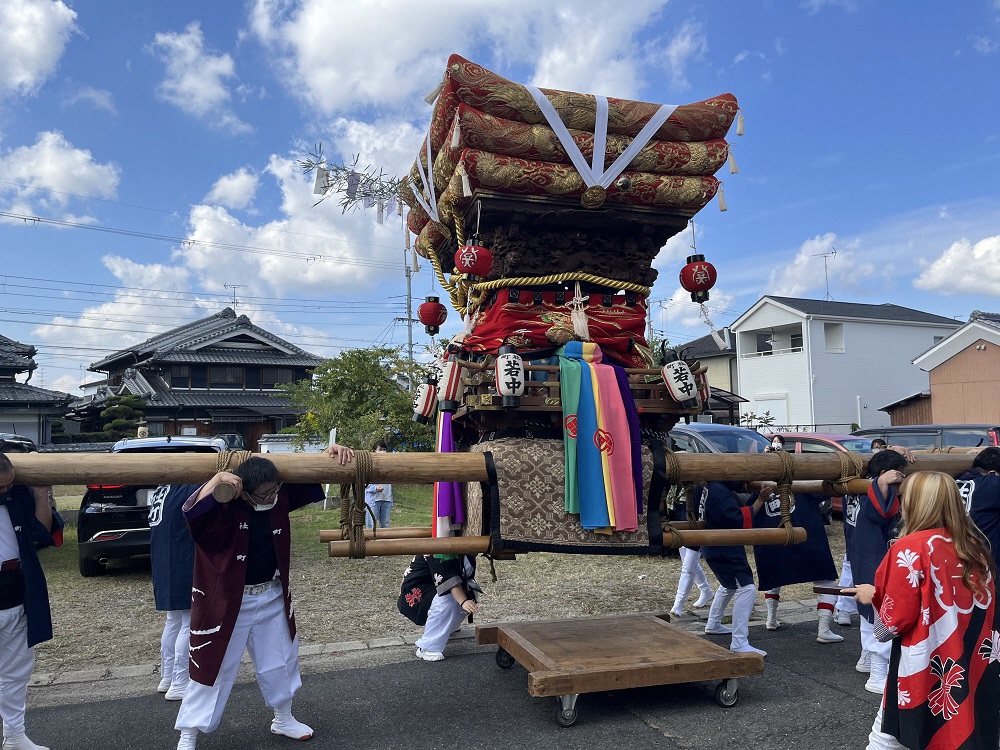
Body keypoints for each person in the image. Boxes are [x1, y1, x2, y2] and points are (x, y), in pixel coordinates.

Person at [174, 445, 354, 750]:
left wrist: (329, 454)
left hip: (271, 595)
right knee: (211, 668)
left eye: (275, 490)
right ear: (243, 491)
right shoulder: (220, 510)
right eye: (265, 493)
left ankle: (283, 718)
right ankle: (188, 734)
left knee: (281, 661)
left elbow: (312, 480)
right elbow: (191, 511)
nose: (272, 497)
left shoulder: (279, 498)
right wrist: (215, 480)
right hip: (226, 604)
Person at [846, 472, 1000, 750]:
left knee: (886, 739)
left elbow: (887, 628)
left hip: (923, 667)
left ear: (917, 503)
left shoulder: (909, 549)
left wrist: (874, 597)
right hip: (971, 664)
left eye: (905, 497)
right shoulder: (976, 548)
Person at [0, 452, 62, 750]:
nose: (4, 491)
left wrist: (41, 493)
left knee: (16, 669)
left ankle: (14, 736)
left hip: (16, 588)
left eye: (8, 485)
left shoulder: (15, 494)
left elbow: (42, 534)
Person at [844, 448, 908, 695]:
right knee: (881, 611)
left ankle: (866, 660)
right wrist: (883, 481)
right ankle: (878, 674)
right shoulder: (874, 488)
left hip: (861, 554)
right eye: (900, 475)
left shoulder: (852, 487)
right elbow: (884, 511)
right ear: (885, 474)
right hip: (875, 558)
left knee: (866, 609)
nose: (902, 480)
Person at [698, 481, 767, 656]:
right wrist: (760, 500)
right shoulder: (719, 491)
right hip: (725, 546)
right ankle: (739, 642)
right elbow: (736, 519)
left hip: (712, 545)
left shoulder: (709, 486)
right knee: (747, 588)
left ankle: (713, 623)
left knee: (729, 585)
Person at [148, 483, 200, 701]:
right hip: (184, 557)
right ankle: (179, 681)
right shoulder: (188, 487)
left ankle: (167, 677)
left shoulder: (163, 488)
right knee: (188, 622)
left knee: (173, 621)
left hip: (163, 559)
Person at [398, 552, 481, 661]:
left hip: (437, 587)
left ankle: (448, 626)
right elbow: (447, 580)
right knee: (451, 598)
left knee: (464, 594)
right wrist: (463, 601)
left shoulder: (463, 547)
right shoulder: (441, 542)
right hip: (418, 593)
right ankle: (428, 647)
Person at [956, 447, 1000, 564]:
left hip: (953, 559)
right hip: (986, 564)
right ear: (993, 473)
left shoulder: (952, 483)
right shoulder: (992, 483)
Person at [669, 545, 714, 617]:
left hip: (698, 535)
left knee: (688, 568)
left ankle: (679, 602)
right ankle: (706, 591)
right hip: (682, 534)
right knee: (691, 565)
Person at [364, 441, 393, 529]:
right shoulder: (368, 464)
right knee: (371, 524)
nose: (382, 451)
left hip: (386, 498)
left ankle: (384, 542)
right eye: (380, 449)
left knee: (385, 525)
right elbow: (365, 483)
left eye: (384, 449)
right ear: (374, 450)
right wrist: (375, 488)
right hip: (374, 500)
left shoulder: (390, 465)